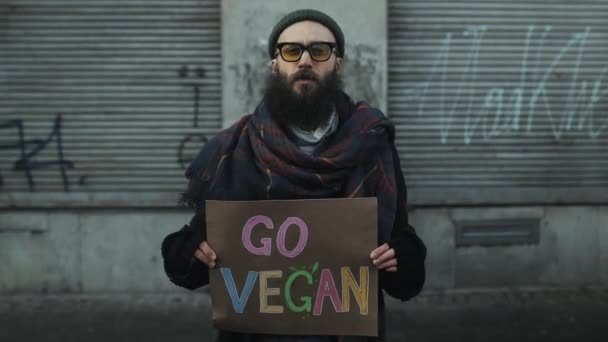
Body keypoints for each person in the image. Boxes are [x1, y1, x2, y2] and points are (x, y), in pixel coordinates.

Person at [161, 8, 426, 342]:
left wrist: (402, 255)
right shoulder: (235, 150)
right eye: (291, 50)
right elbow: (192, 261)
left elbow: (404, 258)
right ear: (276, 65)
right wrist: (189, 250)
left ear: (337, 64)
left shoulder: (372, 145)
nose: (304, 61)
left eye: (319, 50)